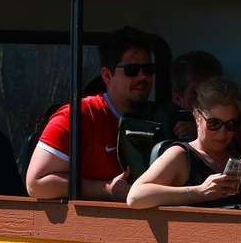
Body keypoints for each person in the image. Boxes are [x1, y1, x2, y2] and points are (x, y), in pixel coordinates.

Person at [27, 27, 161, 200]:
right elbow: (36, 184)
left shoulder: (162, 118)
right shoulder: (78, 117)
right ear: (107, 75)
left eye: (148, 69)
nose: (142, 77)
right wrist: (107, 189)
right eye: (132, 70)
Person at [127, 78, 241, 209]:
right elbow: (136, 196)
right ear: (197, 117)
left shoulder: (240, 157)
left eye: (231, 124)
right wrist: (200, 192)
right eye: (214, 123)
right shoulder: (181, 155)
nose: (222, 133)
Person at [162, 51, 224, 142]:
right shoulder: (164, 123)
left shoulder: (229, 118)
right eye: (196, 94)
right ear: (177, 98)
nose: (206, 101)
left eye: (213, 92)